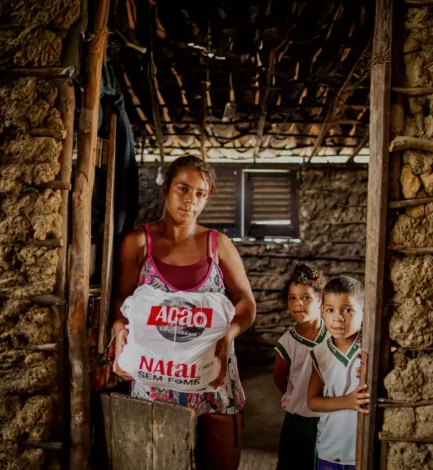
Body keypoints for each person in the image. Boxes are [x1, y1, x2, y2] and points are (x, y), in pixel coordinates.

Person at [111, 155, 256, 470]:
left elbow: (246, 301)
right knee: (158, 460)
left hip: (213, 374)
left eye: (200, 193)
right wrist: (119, 330)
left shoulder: (217, 245)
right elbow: (122, 302)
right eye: (183, 189)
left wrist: (231, 333)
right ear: (165, 191)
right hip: (156, 380)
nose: (191, 200)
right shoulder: (138, 243)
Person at [307, 276, 369, 470]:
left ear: (364, 312)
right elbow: (312, 401)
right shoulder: (320, 353)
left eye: (347, 310)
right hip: (330, 449)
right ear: (322, 311)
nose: (338, 317)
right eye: (331, 310)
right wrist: (348, 401)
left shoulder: (370, 349)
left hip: (363, 450)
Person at [274, 263, 328, 470]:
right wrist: (294, 395)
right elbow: (279, 377)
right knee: (294, 462)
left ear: (321, 301)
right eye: (292, 298)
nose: (299, 303)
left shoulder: (333, 335)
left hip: (328, 415)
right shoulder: (287, 342)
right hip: (297, 418)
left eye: (306, 297)